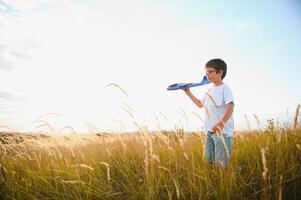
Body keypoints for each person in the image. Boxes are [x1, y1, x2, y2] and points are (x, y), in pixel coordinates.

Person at [183, 58, 234, 167]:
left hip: (222, 132)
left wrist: (221, 123)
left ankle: (231, 175)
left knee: (221, 164)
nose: (207, 75)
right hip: (209, 132)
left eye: (210, 72)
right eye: (206, 73)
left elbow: (231, 106)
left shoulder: (225, 88)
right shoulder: (209, 91)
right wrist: (188, 93)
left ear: (220, 72)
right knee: (207, 160)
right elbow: (200, 104)